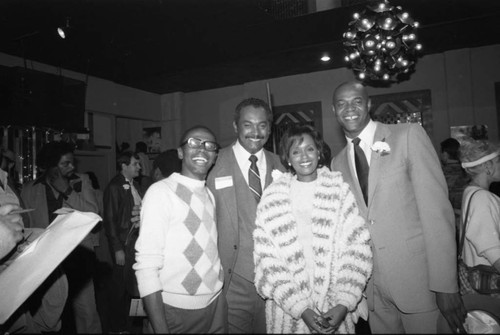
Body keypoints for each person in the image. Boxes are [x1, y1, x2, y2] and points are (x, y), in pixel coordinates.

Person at [330, 81, 466, 333]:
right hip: (372, 290)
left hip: (419, 283)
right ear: (334, 110)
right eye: (341, 103)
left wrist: (446, 285)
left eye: (356, 101)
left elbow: (437, 213)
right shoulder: (337, 162)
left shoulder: (407, 135)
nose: (349, 108)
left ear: (369, 104)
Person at [253, 124, 372, 334]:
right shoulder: (272, 198)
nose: (304, 156)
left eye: (309, 149)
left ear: (319, 152)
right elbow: (267, 260)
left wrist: (343, 302)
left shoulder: (339, 191)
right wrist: (300, 308)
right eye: (295, 151)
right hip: (287, 311)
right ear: (287, 158)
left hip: (334, 304)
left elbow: (357, 249)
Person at [134, 126, 226, 333]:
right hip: (176, 311)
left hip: (216, 304)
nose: (202, 149)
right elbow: (146, 266)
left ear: (215, 156)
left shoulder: (209, 194)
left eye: (209, 146)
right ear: (180, 152)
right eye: (194, 143)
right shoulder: (160, 192)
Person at [207, 97, 285, 333]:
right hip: (232, 282)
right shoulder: (213, 164)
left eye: (262, 125)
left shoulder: (282, 164)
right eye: (247, 125)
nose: (255, 132)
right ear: (235, 126)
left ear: (270, 129)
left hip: (276, 283)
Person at [20, 141, 101, 334]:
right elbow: (27, 225)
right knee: (49, 314)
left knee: (86, 311)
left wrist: (67, 191)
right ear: (51, 166)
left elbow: (94, 215)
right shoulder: (30, 188)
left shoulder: (81, 181)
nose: (72, 167)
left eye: (72, 162)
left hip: (78, 254)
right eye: (66, 163)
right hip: (45, 259)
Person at [102, 150, 144, 333]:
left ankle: (132, 324)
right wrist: (117, 248)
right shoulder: (114, 187)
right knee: (119, 289)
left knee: (134, 285)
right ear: (124, 166)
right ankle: (117, 327)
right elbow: (110, 220)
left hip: (135, 243)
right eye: (135, 164)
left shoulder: (135, 185)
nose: (139, 167)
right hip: (124, 244)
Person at [458, 139, 500, 295]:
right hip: (489, 286)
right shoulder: (482, 198)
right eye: (498, 161)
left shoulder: (470, 192)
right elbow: (492, 250)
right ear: (487, 166)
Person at [440, 138, 470, 215]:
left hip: (449, 214)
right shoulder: (468, 171)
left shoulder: (441, 173)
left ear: (445, 154)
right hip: (468, 212)